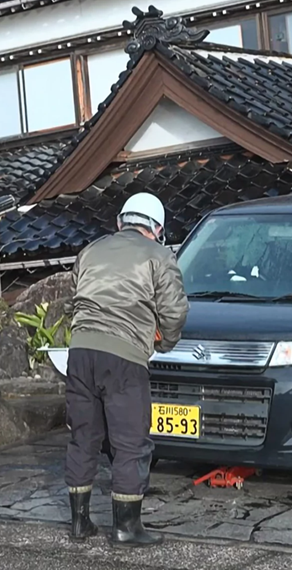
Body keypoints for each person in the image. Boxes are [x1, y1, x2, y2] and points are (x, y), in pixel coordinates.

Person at [64, 192, 188, 546]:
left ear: (121, 222)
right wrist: (161, 343)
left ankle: (79, 522)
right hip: (124, 357)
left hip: (81, 352)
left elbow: (74, 297)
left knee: (83, 436)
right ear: (158, 228)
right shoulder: (159, 256)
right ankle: (126, 528)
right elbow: (175, 312)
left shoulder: (90, 250)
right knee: (130, 441)